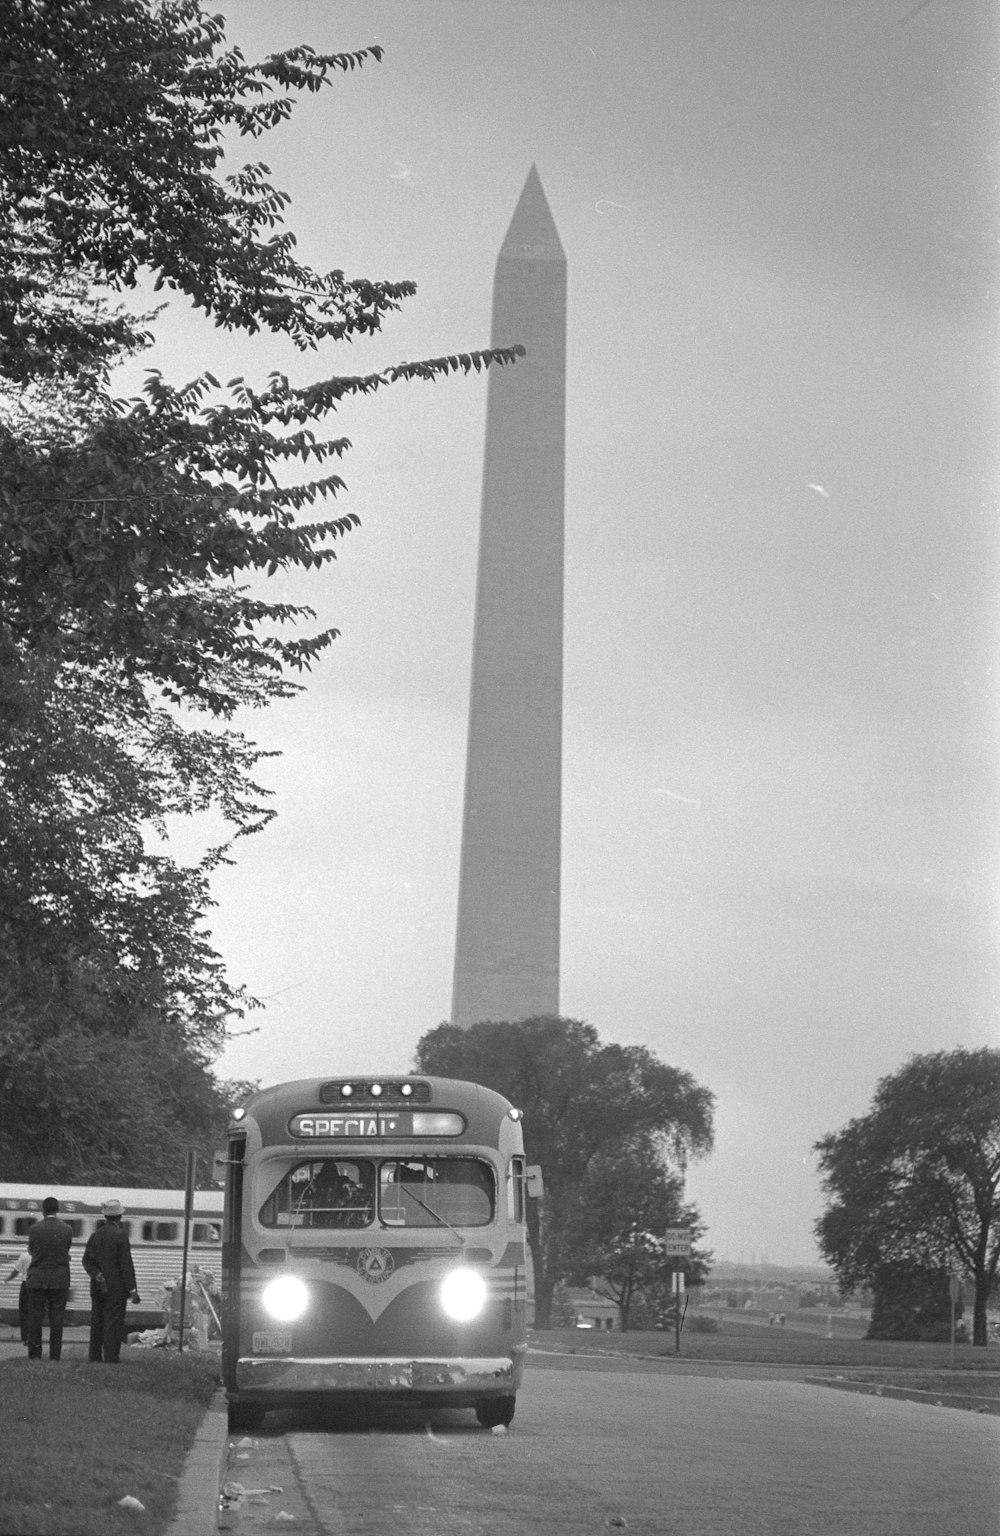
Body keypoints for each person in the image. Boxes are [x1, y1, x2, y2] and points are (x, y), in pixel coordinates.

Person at [81, 1200, 140, 1363]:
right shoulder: (121, 1235)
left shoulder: (95, 1235)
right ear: (120, 1216)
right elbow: (125, 1264)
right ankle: (111, 1356)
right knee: (113, 1323)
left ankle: (94, 1356)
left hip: (97, 1287)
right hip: (116, 1289)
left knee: (97, 1321)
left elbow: (86, 1260)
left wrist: (96, 1274)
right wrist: (133, 1290)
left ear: (105, 1216)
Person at [25, 1196, 73, 1360]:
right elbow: (65, 1250)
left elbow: (31, 1251)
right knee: (57, 1318)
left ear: (43, 1210)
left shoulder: (34, 1229)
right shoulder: (67, 1229)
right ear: (57, 1210)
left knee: (35, 1318)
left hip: (37, 1278)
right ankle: (55, 1355)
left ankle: (35, 1353)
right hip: (59, 1279)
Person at [4, 1250, 32, 1343]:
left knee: (24, 1311)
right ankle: (34, 1337)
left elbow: (16, 1271)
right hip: (37, 1286)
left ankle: (25, 1337)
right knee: (35, 1312)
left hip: (26, 1285)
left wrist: (7, 1279)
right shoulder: (39, 1255)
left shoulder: (24, 1256)